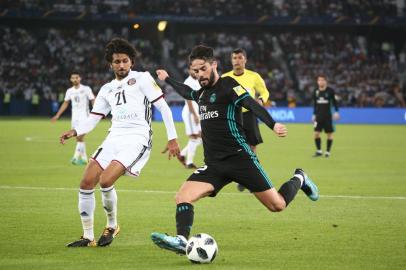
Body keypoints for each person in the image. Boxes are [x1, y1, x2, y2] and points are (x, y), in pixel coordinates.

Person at [150, 45, 319, 255]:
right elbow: (187, 92)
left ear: (214, 65)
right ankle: (181, 240)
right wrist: (167, 78)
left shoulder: (229, 85)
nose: (199, 75)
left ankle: (300, 178)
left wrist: (273, 124)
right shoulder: (201, 93)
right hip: (214, 165)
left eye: (202, 69)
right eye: (195, 71)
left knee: (277, 205)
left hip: (241, 160)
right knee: (182, 197)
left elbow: (250, 103)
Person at [59, 38, 180, 247]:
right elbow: (95, 117)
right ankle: (88, 236)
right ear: (110, 64)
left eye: (125, 61)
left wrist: (172, 138)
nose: (121, 65)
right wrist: (75, 131)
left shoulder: (142, 78)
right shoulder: (106, 89)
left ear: (131, 62)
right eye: (117, 62)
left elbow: (164, 108)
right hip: (113, 137)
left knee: (106, 180)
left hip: (137, 138)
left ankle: (112, 226)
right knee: (86, 182)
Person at [222, 48, 270, 192]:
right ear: (231, 60)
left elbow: (265, 91)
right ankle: (246, 175)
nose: (237, 60)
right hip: (232, 116)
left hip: (249, 115)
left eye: (240, 57)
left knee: (252, 147)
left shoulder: (254, 76)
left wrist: (261, 100)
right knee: (236, 147)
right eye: (234, 58)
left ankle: (251, 177)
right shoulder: (225, 77)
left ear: (245, 60)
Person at [51, 72, 95, 165]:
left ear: (80, 78)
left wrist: (95, 112)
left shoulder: (86, 89)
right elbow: (65, 103)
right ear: (70, 80)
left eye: (76, 77)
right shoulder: (69, 91)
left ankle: (75, 158)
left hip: (84, 116)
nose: (75, 79)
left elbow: (92, 99)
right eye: (73, 78)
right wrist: (58, 115)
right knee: (78, 138)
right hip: (75, 117)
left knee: (80, 136)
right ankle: (84, 159)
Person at [177, 66, 202, 169]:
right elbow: (189, 101)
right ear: (189, 70)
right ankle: (189, 162)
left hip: (197, 112)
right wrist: (195, 115)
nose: (196, 72)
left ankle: (182, 154)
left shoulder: (198, 80)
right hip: (190, 113)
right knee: (194, 137)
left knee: (201, 137)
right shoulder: (188, 82)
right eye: (193, 70)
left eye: (197, 70)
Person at [312, 75, 340, 158]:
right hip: (318, 116)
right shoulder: (315, 91)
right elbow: (315, 104)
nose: (320, 82)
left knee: (329, 134)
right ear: (317, 82)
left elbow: (335, 103)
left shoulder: (330, 91)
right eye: (319, 80)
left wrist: (336, 112)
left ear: (325, 81)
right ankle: (319, 151)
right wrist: (313, 114)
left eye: (322, 80)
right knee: (316, 133)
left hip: (328, 116)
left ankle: (327, 152)